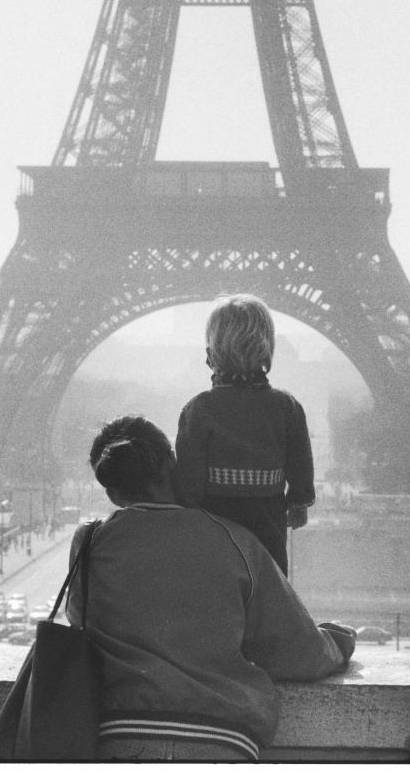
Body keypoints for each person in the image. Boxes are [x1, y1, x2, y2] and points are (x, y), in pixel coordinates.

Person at [67, 415, 355, 763]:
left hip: (119, 733)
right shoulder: (235, 541)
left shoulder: (91, 542)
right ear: (172, 463)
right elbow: (298, 653)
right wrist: (339, 641)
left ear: (111, 490)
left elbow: (80, 622)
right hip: (221, 736)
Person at [175, 294, 314, 574]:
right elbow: (300, 466)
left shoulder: (199, 409)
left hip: (214, 525)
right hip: (268, 525)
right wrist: (299, 502)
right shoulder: (286, 407)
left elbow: (189, 482)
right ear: (266, 347)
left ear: (211, 351)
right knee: (268, 592)